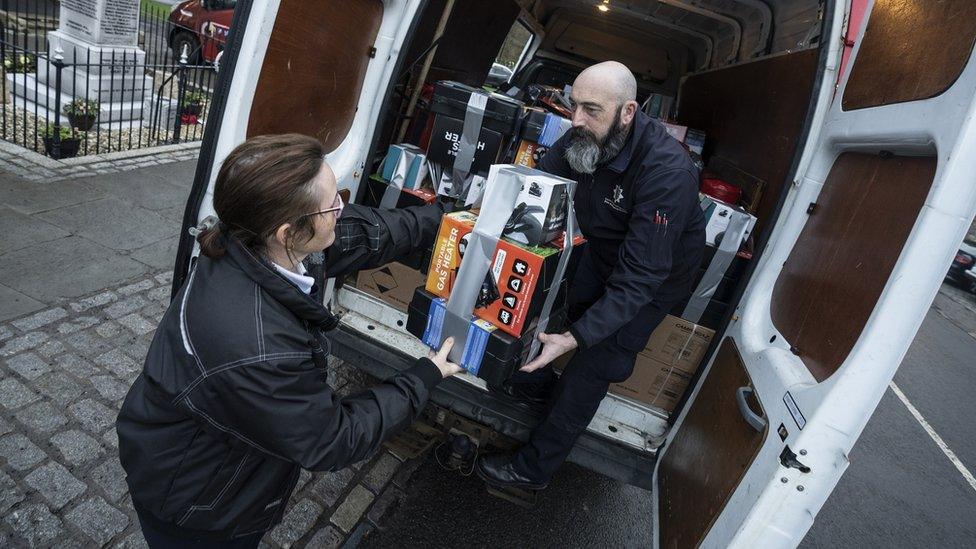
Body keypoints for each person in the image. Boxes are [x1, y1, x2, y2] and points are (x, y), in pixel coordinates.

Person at [116, 133, 461, 547]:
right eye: (333, 204)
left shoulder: (254, 239)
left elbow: (367, 233)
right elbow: (331, 439)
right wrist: (425, 375)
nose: (342, 209)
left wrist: (446, 220)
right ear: (288, 231)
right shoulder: (260, 349)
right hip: (199, 502)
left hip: (208, 457)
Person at [476, 61, 706, 490]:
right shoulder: (585, 132)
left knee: (591, 365)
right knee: (550, 306)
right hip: (602, 252)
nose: (576, 120)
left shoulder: (668, 173)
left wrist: (577, 337)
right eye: (573, 106)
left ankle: (532, 471)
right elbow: (542, 180)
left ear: (628, 112)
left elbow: (641, 277)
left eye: (592, 110)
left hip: (651, 278)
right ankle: (536, 387)